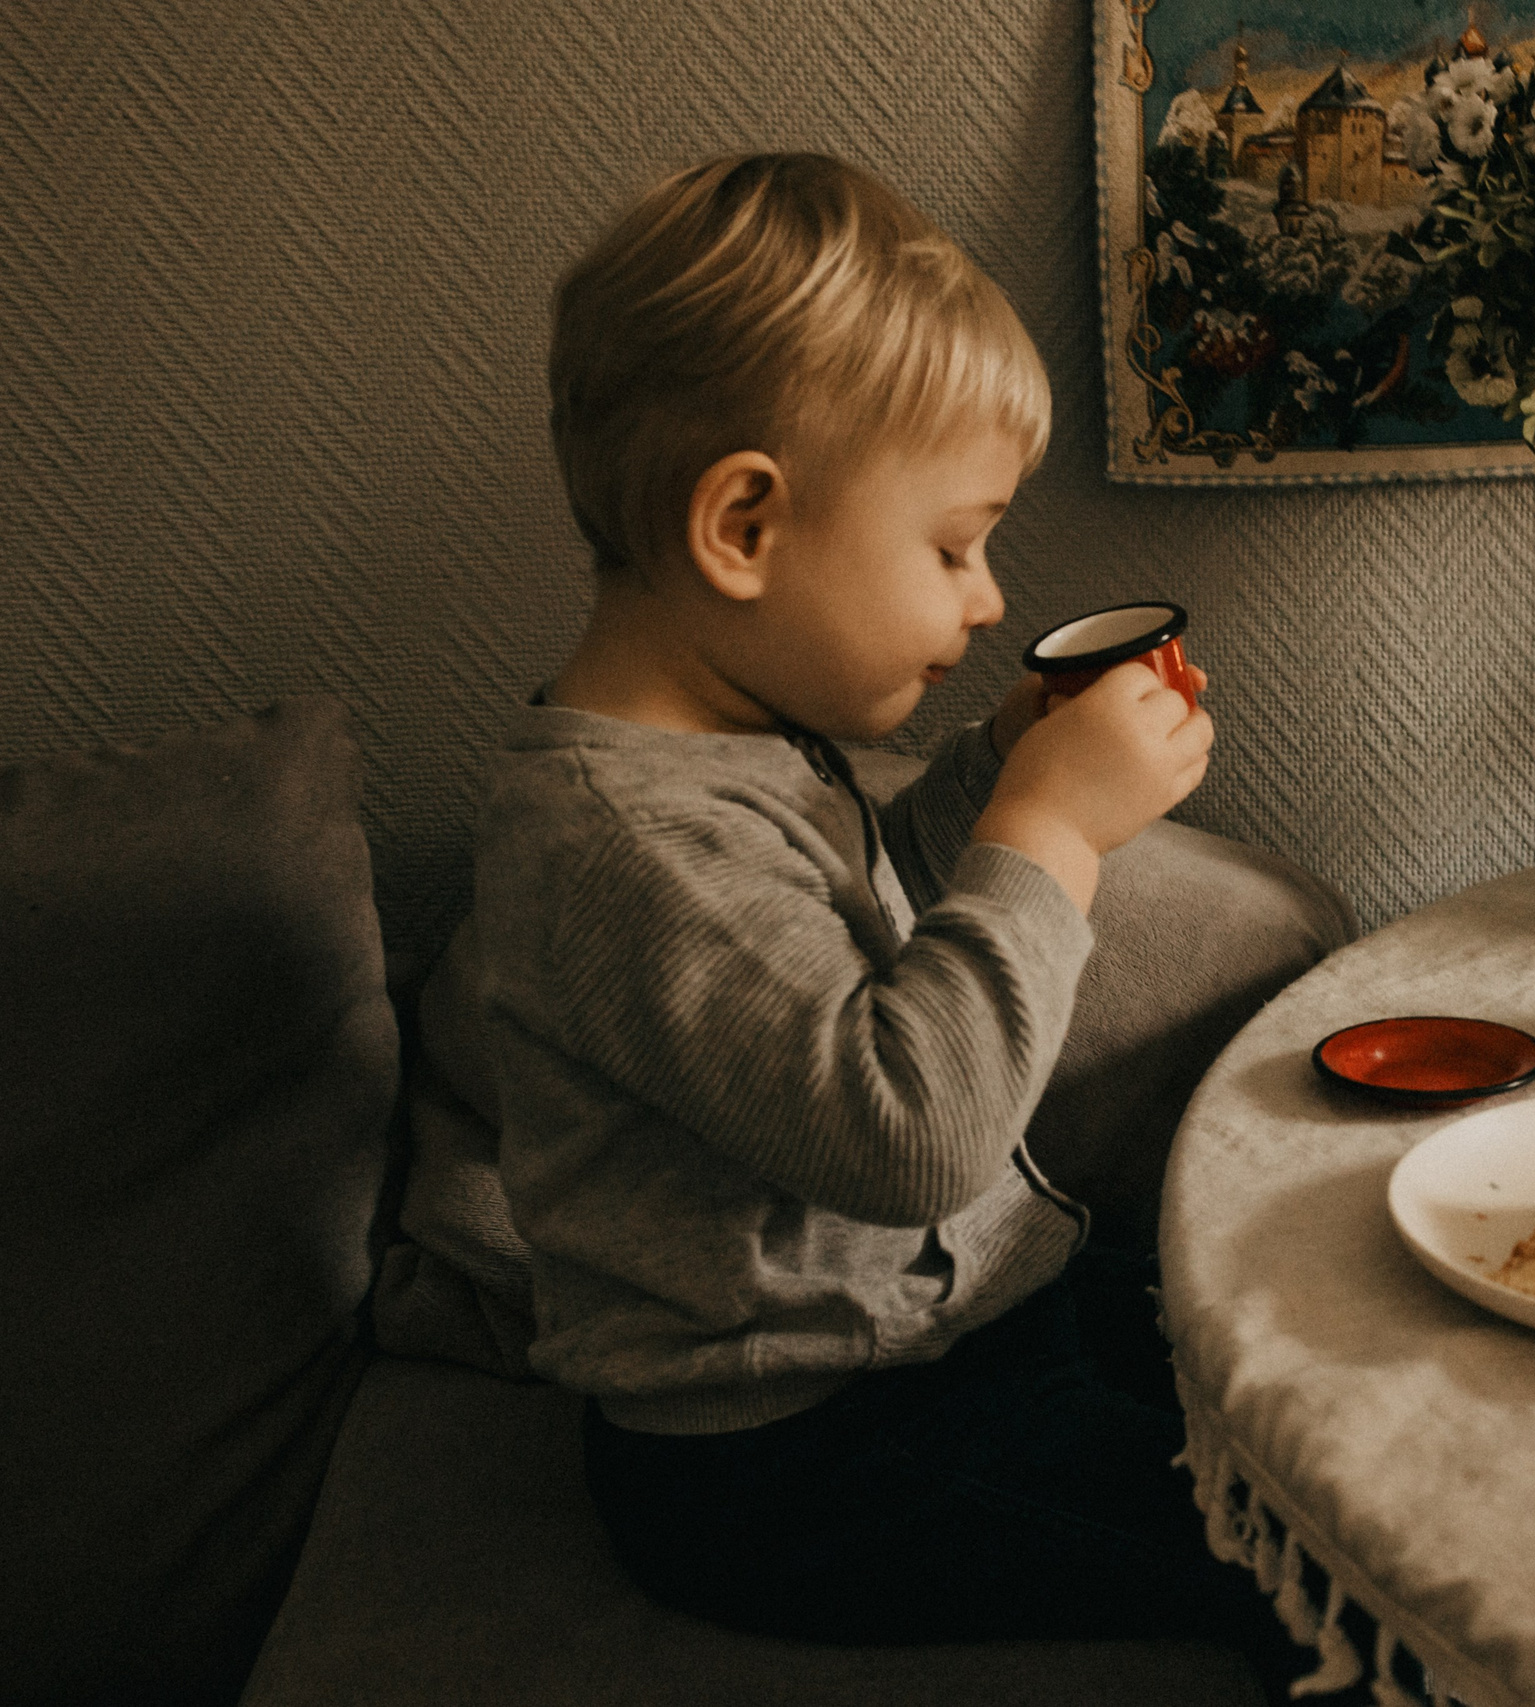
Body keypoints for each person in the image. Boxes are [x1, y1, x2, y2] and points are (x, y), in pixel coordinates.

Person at [435, 150, 1311, 1692]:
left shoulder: (724, 746)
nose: (985, 603)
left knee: (1263, 1344)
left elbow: (834, 917)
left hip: (935, 1344)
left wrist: (993, 771)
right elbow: (903, 1129)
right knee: (1278, 1550)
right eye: (955, 546)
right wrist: (1052, 831)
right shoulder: (620, 843)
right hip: (792, 1457)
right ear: (746, 529)